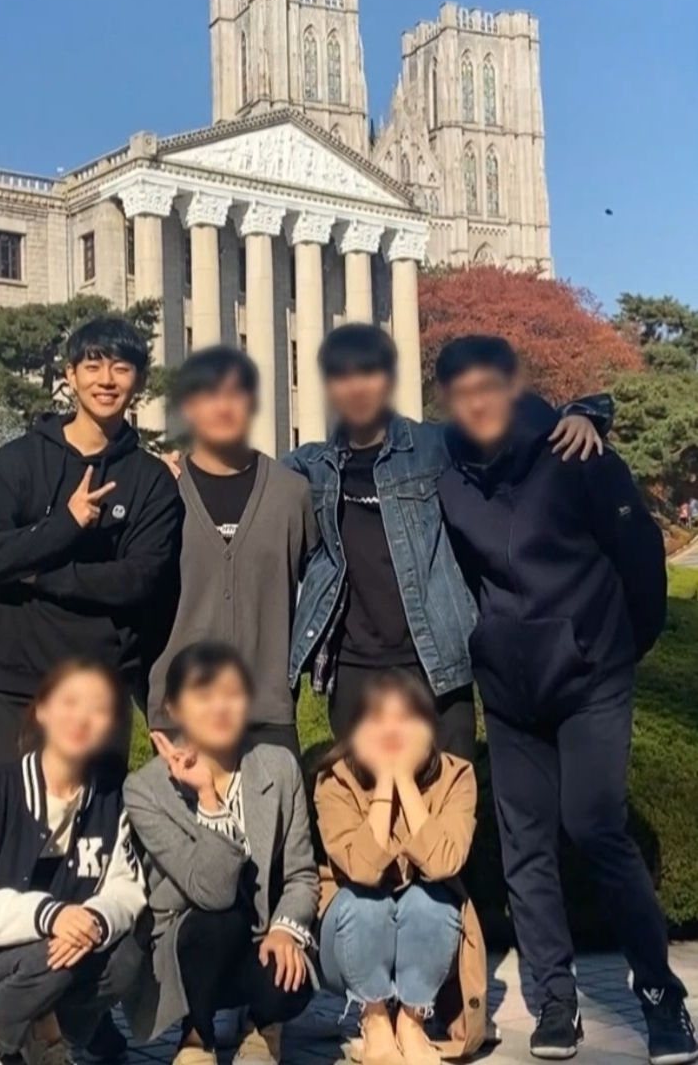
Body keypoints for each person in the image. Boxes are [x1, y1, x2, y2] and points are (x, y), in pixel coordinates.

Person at [435, 335, 697, 1064]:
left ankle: (660, 997)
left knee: (594, 825)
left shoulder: (577, 452)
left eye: (488, 387)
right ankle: (556, 1000)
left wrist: (613, 648)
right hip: (510, 689)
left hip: (591, 677)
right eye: (460, 393)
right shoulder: (447, 473)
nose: (476, 404)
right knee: (524, 846)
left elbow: (640, 559)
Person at [283, 323, 609, 760]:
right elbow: (245, 477)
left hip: (433, 660)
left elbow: (514, 431)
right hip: (355, 666)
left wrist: (581, 413)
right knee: (365, 795)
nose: (356, 387)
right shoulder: (311, 466)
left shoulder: (435, 445)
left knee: (450, 791)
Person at [0, 316, 183, 771]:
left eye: (121, 368)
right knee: (12, 811)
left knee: (93, 817)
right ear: (71, 375)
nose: (106, 380)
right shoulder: (18, 461)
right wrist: (65, 524)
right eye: (93, 366)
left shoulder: (152, 481)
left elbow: (138, 580)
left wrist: (36, 574)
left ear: (139, 381)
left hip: (100, 685)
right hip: (16, 684)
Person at [0, 659, 151, 1065]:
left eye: (98, 708)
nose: (81, 718)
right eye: (70, 702)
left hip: (59, 953)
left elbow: (125, 887)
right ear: (42, 709)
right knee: (53, 960)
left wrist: (94, 920)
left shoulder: (111, 802)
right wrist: (50, 915)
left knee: (126, 954)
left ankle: (45, 1031)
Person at [125, 642, 318, 1065]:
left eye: (231, 694)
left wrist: (285, 930)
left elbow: (302, 875)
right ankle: (197, 1034)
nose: (219, 707)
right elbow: (213, 891)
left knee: (288, 981)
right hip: (192, 941)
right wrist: (208, 798)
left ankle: (263, 1027)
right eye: (203, 695)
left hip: (261, 937)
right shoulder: (147, 790)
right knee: (215, 922)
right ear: (174, 708)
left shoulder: (278, 767)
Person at [152, 346, 317, 760]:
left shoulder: (291, 494)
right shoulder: (161, 491)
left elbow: (322, 587)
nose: (223, 407)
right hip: (180, 717)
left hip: (267, 714)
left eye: (235, 394)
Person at [315, 669, 485, 1065]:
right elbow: (361, 869)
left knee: (434, 900)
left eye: (406, 718)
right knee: (365, 902)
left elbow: (444, 861)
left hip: (426, 934)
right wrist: (384, 785)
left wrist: (405, 781)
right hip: (348, 938)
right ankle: (374, 1020)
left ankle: (412, 1022)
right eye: (378, 719)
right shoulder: (335, 780)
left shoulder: (457, 777)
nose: (392, 730)